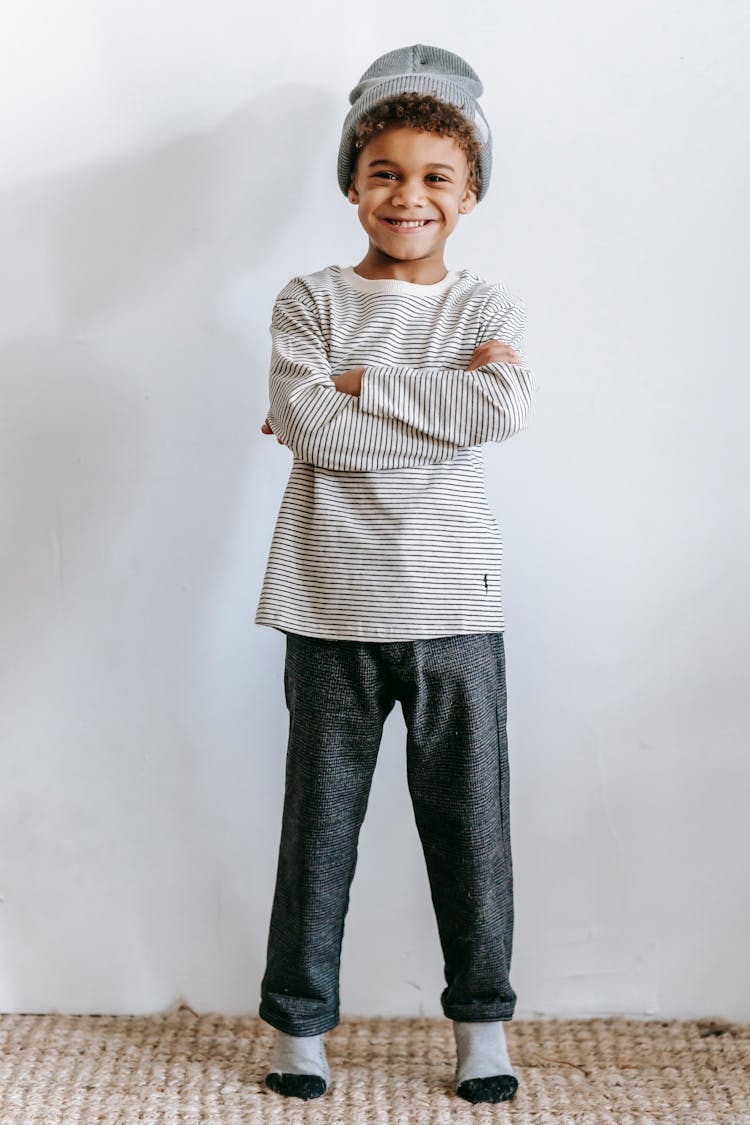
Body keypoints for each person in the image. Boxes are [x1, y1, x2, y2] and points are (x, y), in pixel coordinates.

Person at [255, 43, 536, 1104]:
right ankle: (298, 1026)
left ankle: (483, 1027)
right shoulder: (309, 299)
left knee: (472, 829)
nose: (406, 195)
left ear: (467, 195)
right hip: (328, 602)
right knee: (317, 829)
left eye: (433, 178)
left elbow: (500, 412)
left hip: (456, 606)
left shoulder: (487, 309)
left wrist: (359, 384)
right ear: (351, 181)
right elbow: (307, 421)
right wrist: (411, 406)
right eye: (384, 172)